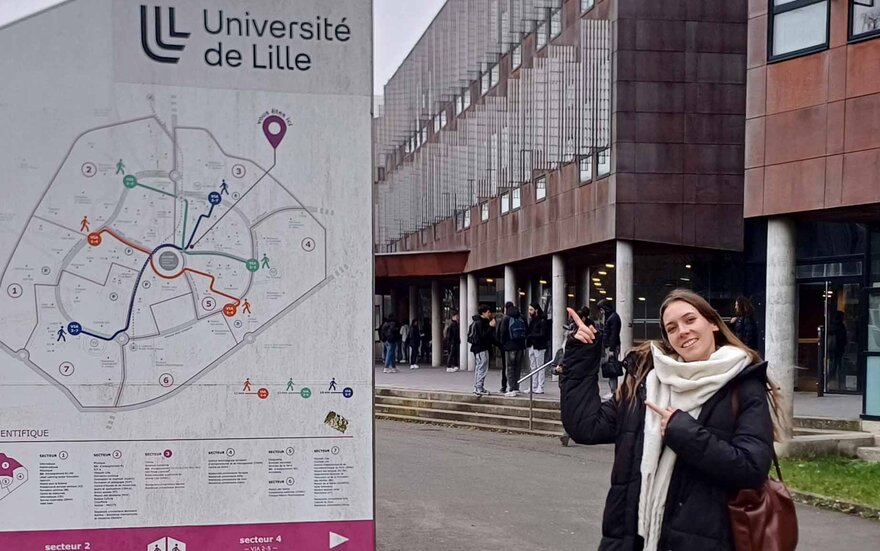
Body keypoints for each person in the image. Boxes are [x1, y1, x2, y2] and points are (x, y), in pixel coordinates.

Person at [560, 288, 781, 551]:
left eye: (690, 320)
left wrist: (683, 432)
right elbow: (586, 426)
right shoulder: (647, 383)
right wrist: (581, 356)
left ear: (713, 323)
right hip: (633, 540)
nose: (683, 331)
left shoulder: (744, 386)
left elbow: (752, 468)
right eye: (672, 328)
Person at [499, 302, 527, 397]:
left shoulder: (506, 318)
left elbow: (503, 332)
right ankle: (517, 387)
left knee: (510, 368)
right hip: (520, 346)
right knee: (518, 368)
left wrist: (504, 344)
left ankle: (511, 388)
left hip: (510, 346)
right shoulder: (522, 317)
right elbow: (526, 330)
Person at [469, 304, 497, 395]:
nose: (489, 314)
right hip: (481, 348)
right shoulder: (480, 323)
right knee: (482, 367)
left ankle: (478, 387)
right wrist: (491, 327)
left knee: (479, 367)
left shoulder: (478, 321)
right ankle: (478, 388)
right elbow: (483, 336)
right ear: (483, 313)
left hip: (479, 348)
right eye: (488, 312)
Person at [596, 298, 622, 395]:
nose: (601, 312)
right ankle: (613, 390)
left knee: (612, 369)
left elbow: (614, 334)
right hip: (610, 346)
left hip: (612, 347)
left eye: (602, 309)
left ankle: (613, 391)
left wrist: (611, 349)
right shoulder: (611, 317)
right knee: (611, 368)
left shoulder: (613, 318)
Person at [525, 302, 551, 394]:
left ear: (536, 310)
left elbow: (543, 334)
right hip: (533, 345)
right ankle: (534, 385)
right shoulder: (533, 320)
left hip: (539, 346)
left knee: (539, 367)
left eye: (531, 310)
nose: (529, 311)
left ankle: (540, 386)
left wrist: (531, 336)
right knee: (533, 366)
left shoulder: (542, 320)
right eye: (529, 309)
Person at [497, 303, 513, 393]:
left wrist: (501, 345)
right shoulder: (518, 318)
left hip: (505, 346)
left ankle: (504, 386)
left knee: (506, 366)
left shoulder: (503, 319)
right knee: (514, 367)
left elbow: (499, 334)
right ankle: (514, 386)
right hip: (516, 346)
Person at [829, 310, 848, 388]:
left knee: (833, 362)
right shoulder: (841, 325)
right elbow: (843, 337)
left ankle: (832, 376)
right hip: (839, 346)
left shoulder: (832, 325)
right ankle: (839, 379)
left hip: (832, 347)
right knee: (839, 363)